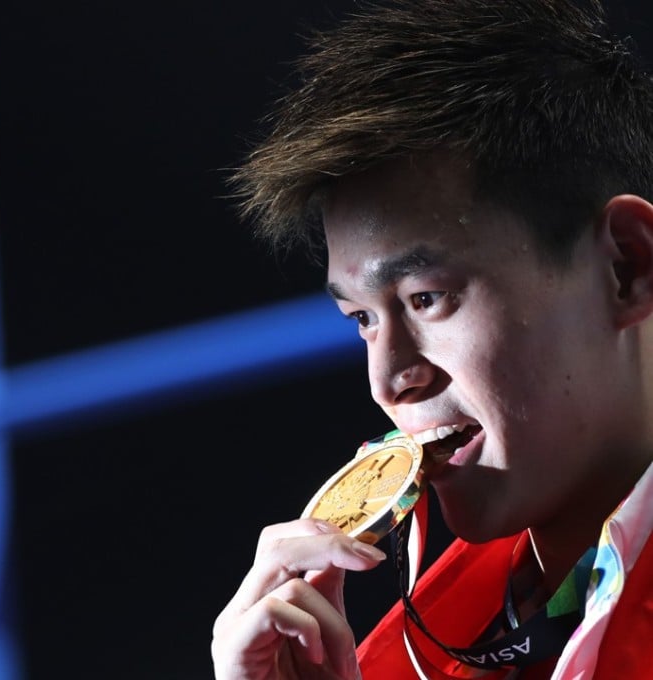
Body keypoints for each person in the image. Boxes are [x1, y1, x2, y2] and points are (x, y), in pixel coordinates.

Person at [211, 1, 653, 678]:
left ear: (627, 266)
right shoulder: (394, 657)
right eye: (362, 319)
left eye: (427, 298)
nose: (387, 380)